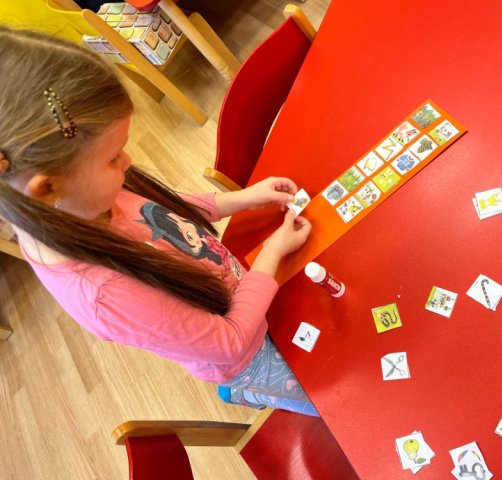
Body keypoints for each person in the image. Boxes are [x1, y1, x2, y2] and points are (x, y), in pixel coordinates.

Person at [0, 26, 318, 416]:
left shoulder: (76, 199)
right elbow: (231, 341)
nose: (128, 162)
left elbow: (163, 214)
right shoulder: (105, 297)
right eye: (113, 157)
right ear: (46, 188)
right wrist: (271, 254)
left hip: (243, 290)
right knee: (327, 396)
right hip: (248, 356)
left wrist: (244, 198)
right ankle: (246, 391)